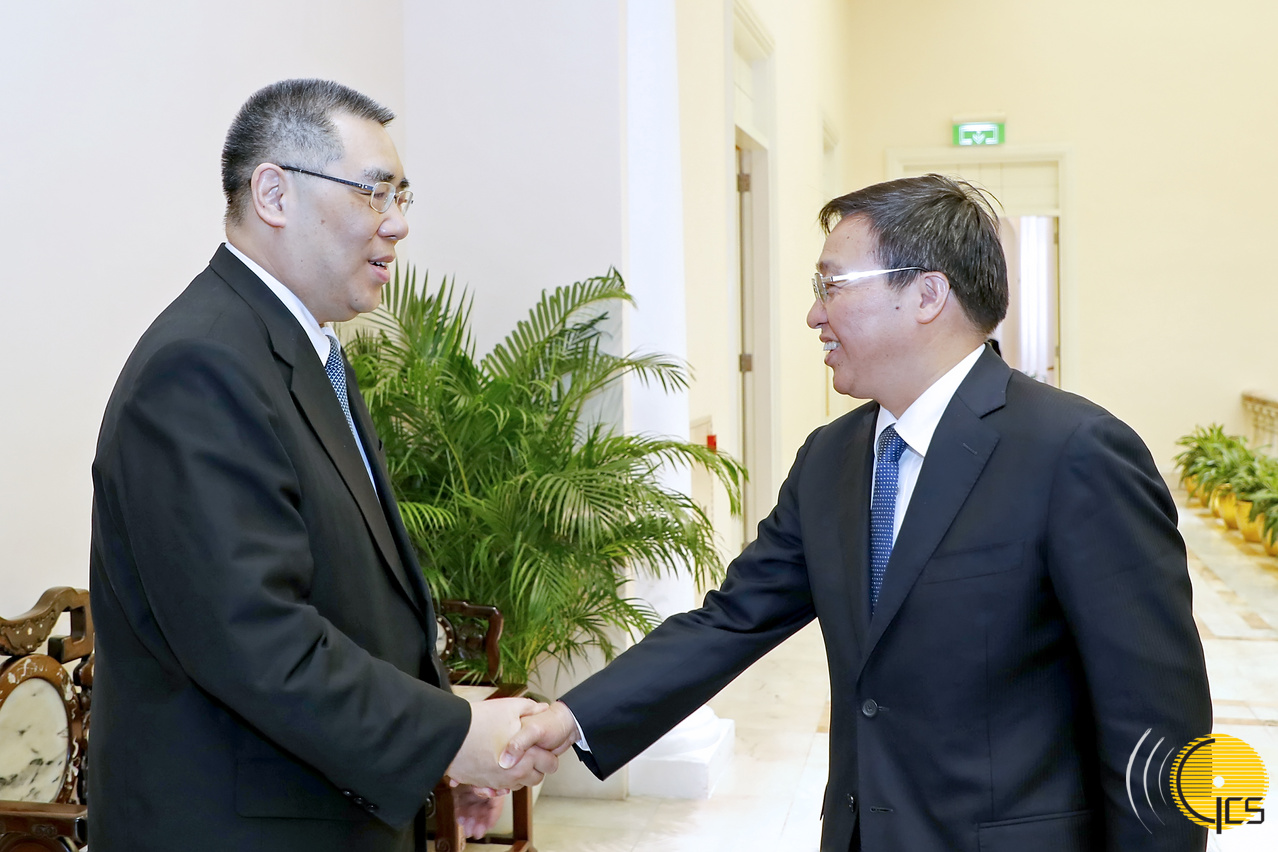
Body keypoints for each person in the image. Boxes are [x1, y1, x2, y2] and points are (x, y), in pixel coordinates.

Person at [504, 174, 1212, 851]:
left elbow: (1156, 718)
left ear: (927, 294)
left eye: (832, 285)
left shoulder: (1074, 452)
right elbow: (731, 620)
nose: (814, 314)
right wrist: (571, 717)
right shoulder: (831, 459)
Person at [88, 79, 554, 852]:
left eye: (402, 195)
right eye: (375, 192)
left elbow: (355, 610)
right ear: (274, 194)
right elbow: (257, 638)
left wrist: (437, 756)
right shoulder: (200, 366)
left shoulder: (298, 350)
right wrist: (449, 737)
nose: (397, 222)